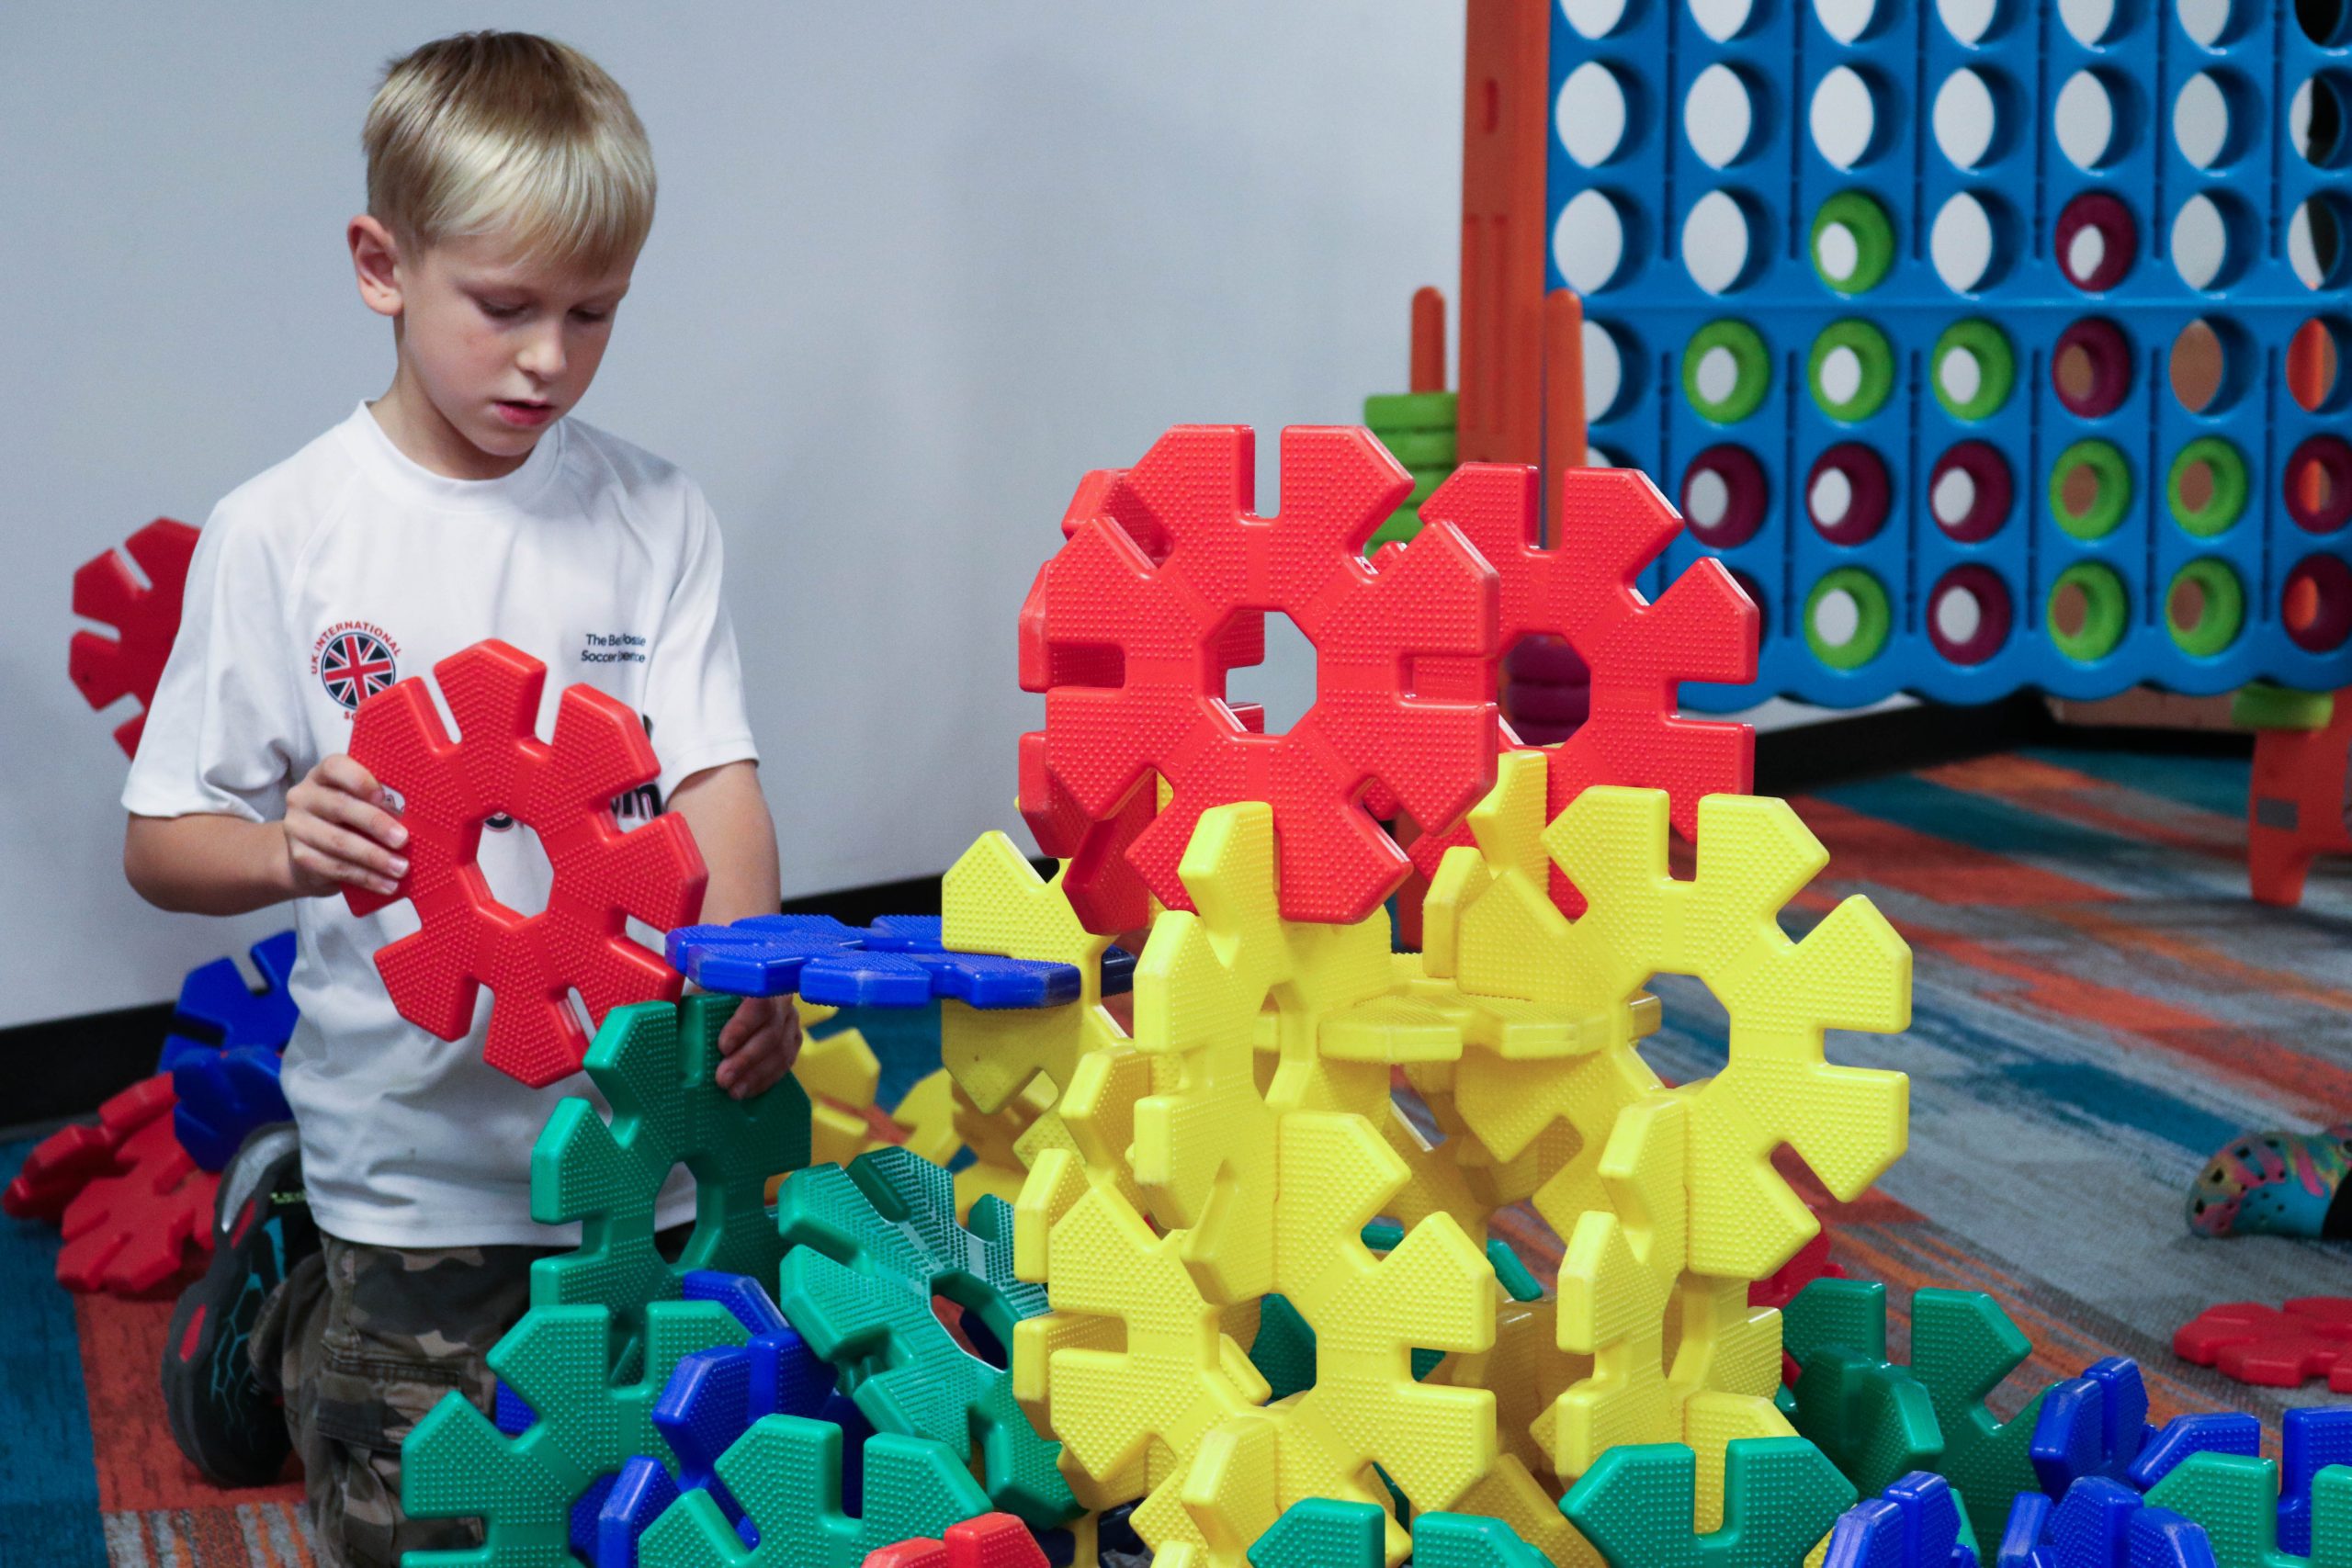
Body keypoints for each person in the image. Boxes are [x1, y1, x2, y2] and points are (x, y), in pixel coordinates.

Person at [119, 32, 797, 1564]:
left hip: (639, 1137)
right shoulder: (285, 533)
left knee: (672, 1503)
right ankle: (293, 1304)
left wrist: (750, 970)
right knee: (434, 1530)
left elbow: (717, 780)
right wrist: (283, 849)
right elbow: (162, 844)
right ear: (384, 267)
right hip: (416, 1163)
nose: (548, 358)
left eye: (593, 313)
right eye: (505, 309)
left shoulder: (652, 513)